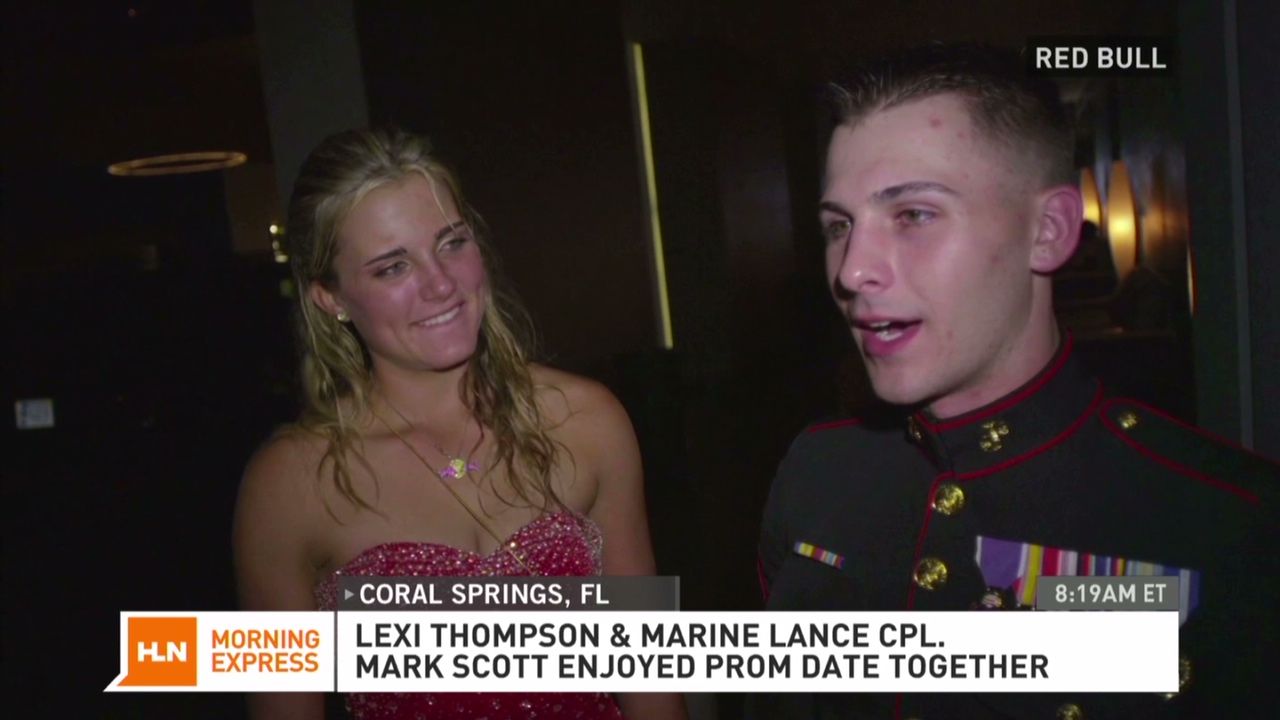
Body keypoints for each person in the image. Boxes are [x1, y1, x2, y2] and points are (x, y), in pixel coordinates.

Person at [754, 45, 1278, 719]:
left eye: (913, 214)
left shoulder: (1229, 521)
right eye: (838, 226)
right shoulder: (816, 472)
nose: (852, 270)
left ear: (1050, 230)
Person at [234, 127, 686, 720]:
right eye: (392, 268)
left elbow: (650, 681)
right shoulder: (291, 486)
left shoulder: (586, 421)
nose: (441, 284)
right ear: (330, 299)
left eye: (451, 243)